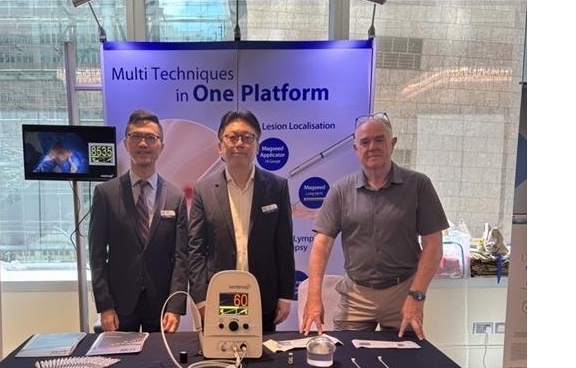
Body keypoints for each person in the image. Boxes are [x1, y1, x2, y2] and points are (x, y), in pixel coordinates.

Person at [300, 111, 448, 340]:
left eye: (379, 140)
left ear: (393, 143)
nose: (372, 147)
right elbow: (322, 245)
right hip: (356, 295)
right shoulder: (341, 190)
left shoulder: (419, 185)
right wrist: (313, 297)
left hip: (403, 293)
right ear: (356, 149)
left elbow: (434, 245)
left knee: (406, 358)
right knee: (347, 356)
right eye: (365, 142)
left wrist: (417, 296)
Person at [188, 110, 295, 334]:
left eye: (247, 137)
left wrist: (285, 295)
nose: (239, 143)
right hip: (219, 295)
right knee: (222, 353)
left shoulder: (277, 187)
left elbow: (284, 246)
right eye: (232, 137)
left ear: (257, 145)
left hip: (263, 295)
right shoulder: (204, 190)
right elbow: (195, 250)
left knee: (262, 354)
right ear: (220, 146)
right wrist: (201, 299)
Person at [88, 109, 189, 333]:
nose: (143, 143)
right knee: (120, 357)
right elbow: (96, 255)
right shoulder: (105, 194)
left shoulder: (176, 197)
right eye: (136, 136)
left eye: (151, 138)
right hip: (119, 305)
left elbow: (181, 258)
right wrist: (105, 306)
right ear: (126, 143)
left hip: (161, 305)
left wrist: (175, 306)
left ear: (161, 146)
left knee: (160, 356)